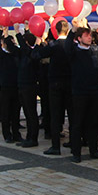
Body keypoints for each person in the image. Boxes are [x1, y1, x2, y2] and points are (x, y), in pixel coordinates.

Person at [58, 18, 98, 163]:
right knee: (78, 123)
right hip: (79, 93)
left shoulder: (95, 50)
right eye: (86, 36)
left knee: (93, 123)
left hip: (94, 92)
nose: (89, 38)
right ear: (79, 38)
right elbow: (67, 45)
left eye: (90, 35)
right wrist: (73, 29)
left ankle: (93, 150)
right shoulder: (74, 51)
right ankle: (76, 152)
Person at [32, 19, 73, 156]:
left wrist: (38, 43)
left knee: (55, 115)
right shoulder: (72, 45)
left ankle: (56, 146)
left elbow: (36, 55)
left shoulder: (54, 46)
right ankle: (74, 144)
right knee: (72, 114)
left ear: (56, 31)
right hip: (70, 82)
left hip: (55, 83)